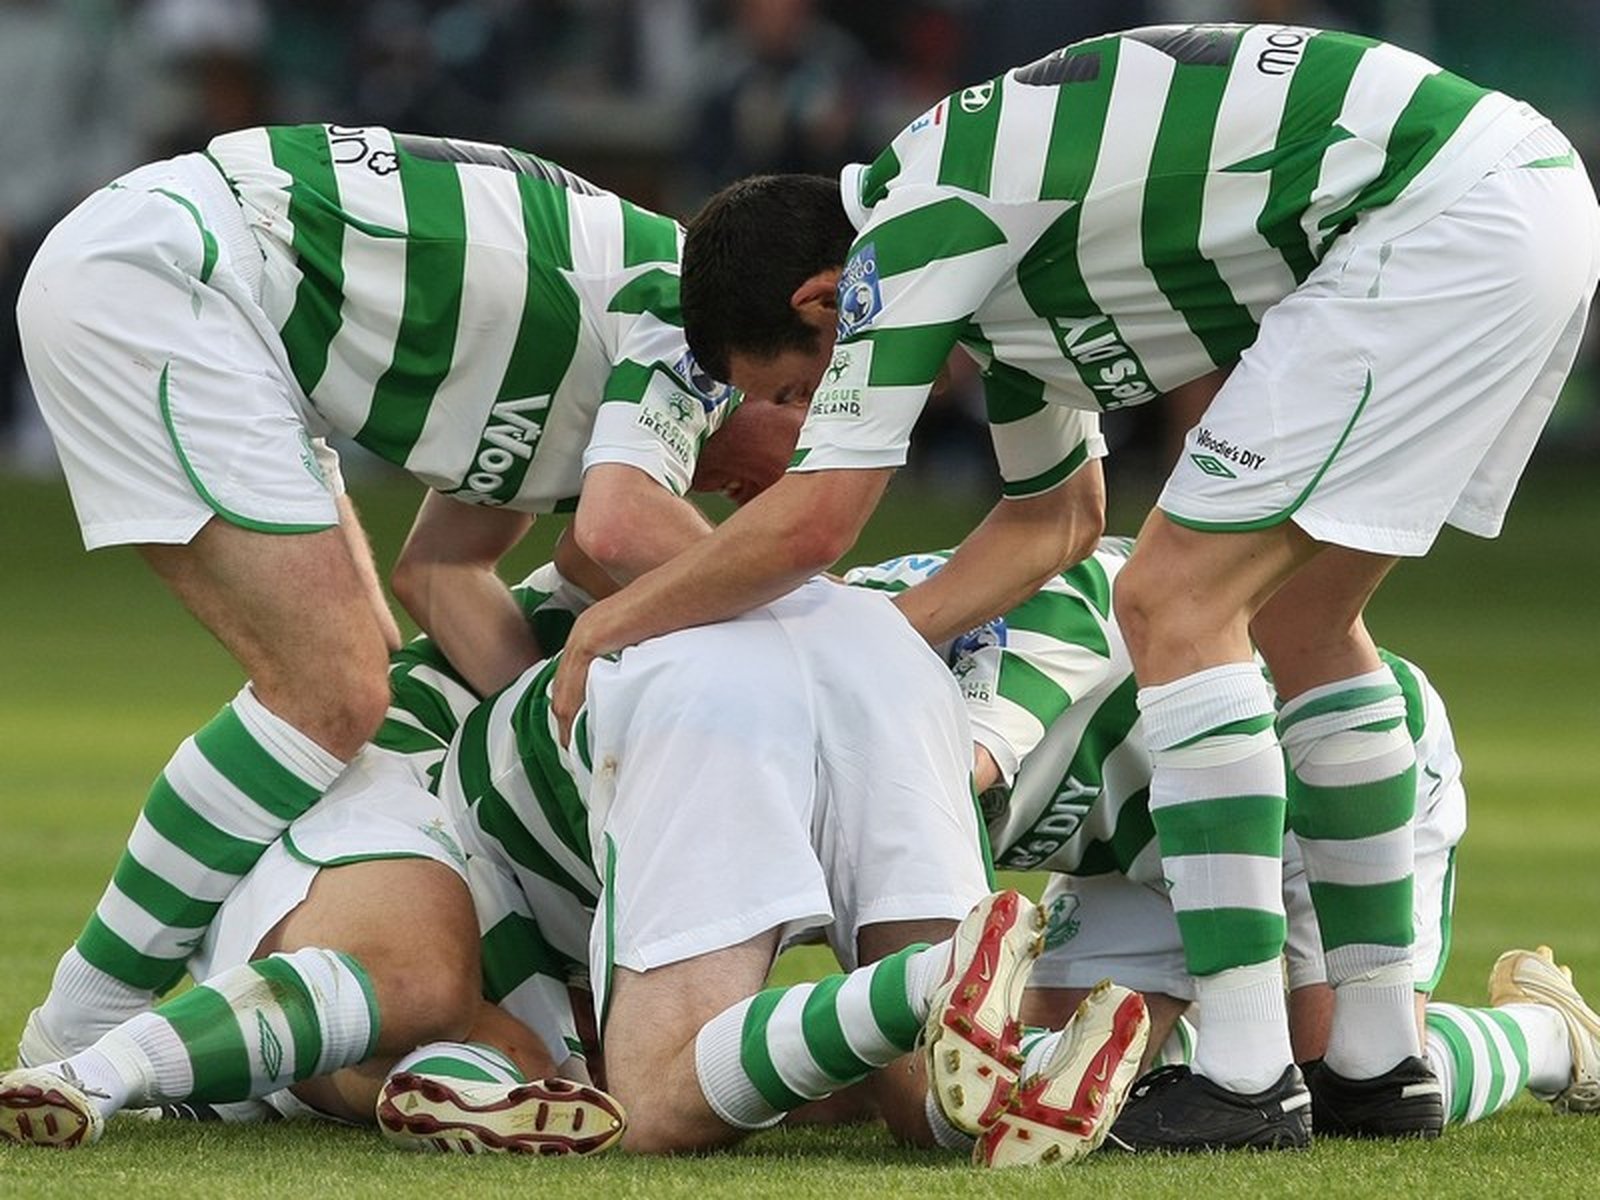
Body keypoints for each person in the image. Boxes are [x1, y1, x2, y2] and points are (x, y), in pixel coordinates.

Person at [548, 23, 1600, 1146]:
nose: (821, 415)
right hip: (1508, 194)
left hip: (1436, 214)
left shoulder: (909, 234)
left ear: (823, 301)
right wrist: (873, 651)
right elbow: (1058, 518)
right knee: (1304, 619)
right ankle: (1378, 1061)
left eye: (804, 389)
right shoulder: (988, 267)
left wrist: (600, 626)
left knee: (1172, 600)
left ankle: (1244, 1079)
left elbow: (816, 520)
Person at [18, 112, 806, 1064]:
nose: (778, 491)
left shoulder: (632, 386)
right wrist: (827, 632)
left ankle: (307, 933)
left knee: (364, 696)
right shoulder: (694, 335)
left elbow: (441, 573)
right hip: (179, 274)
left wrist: (524, 755)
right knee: (330, 691)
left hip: (209, 288)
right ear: (780, 387)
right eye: (808, 447)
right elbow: (621, 532)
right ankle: (82, 1027)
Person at [434, 575, 1150, 1165]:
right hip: (888, 654)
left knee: (652, 1098)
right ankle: (1036, 1060)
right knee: (914, 1089)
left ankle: (934, 977)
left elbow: (514, 1059)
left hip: (709, 690)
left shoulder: (428, 839)